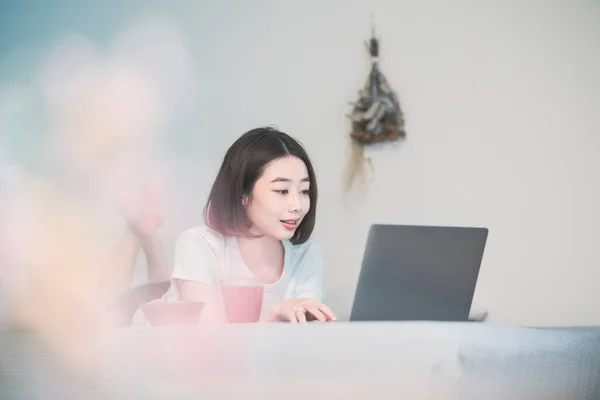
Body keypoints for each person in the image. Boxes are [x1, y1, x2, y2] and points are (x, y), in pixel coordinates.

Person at [172, 127, 336, 323]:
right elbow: (213, 337)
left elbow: (307, 333)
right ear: (243, 195)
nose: (297, 206)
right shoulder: (199, 245)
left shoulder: (307, 252)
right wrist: (275, 315)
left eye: (303, 191)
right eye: (282, 191)